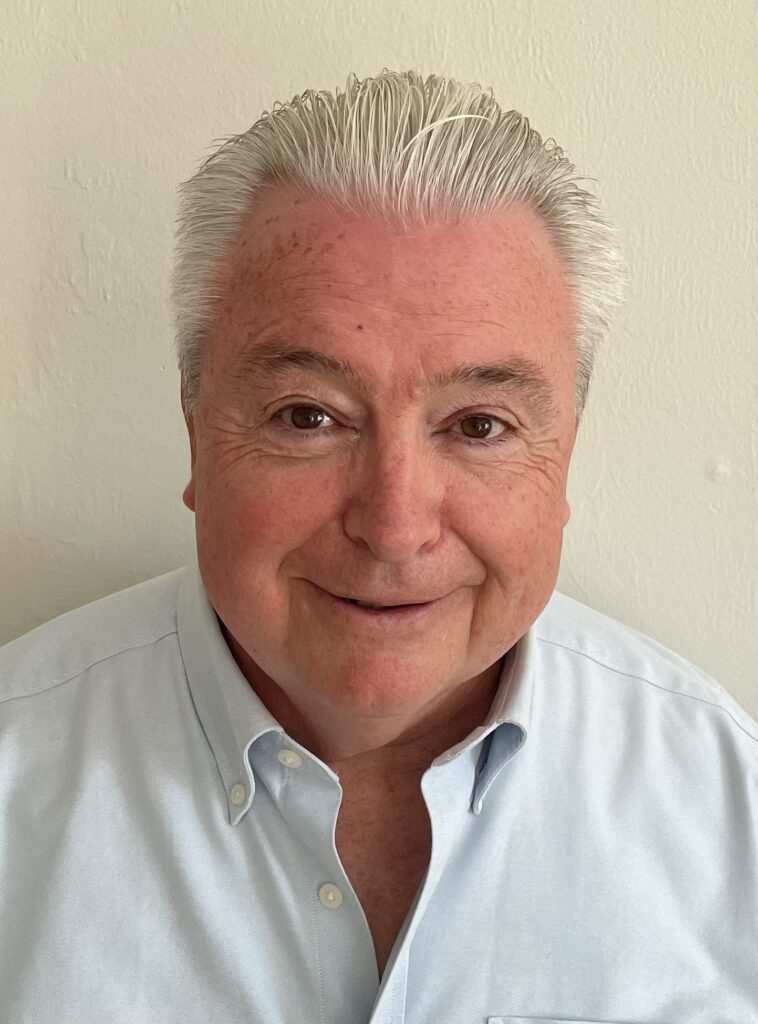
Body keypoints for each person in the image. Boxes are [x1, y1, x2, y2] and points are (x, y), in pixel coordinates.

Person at [1, 69, 756, 1024]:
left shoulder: (729, 810)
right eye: (309, 416)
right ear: (196, 434)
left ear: (565, 459)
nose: (396, 526)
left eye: (480, 425)